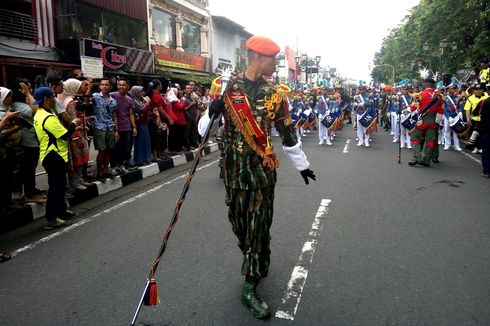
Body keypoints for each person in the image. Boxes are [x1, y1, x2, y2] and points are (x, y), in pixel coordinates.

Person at [208, 35, 316, 319]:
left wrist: (302, 166)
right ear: (258, 57)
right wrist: (211, 114)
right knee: (239, 225)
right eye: (273, 60)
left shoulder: (275, 94)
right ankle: (256, 258)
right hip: (233, 172)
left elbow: (288, 134)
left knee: (258, 227)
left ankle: (250, 284)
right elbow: (202, 132)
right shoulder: (225, 88)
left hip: (262, 174)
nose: (275, 65)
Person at [32, 87, 82, 229]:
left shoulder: (42, 113)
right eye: (53, 97)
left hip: (53, 154)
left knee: (60, 186)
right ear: (47, 99)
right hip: (53, 155)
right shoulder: (47, 117)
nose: (54, 99)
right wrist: (74, 124)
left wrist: (72, 128)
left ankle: (61, 211)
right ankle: (52, 218)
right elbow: (64, 135)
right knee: (55, 188)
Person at [59, 78, 90, 190]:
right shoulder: (70, 102)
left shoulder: (67, 99)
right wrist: (78, 136)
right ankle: (75, 182)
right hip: (75, 134)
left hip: (74, 132)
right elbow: (73, 120)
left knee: (79, 158)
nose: (80, 88)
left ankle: (79, 179)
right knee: (78, 159)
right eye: (78, 86)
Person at [408, 78, 444, 167]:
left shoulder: (420, 95)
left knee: (415, 137)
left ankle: (418, 157)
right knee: (430, 141)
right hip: (433, 121)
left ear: (425, 84)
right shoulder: (439, 96)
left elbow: (413, 108)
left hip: (422, 121)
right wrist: (437, 123)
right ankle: (427, 160)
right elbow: (441, 111)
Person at [0, 87, 23, 213]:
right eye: (8, 96)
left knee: (8, 177)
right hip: (3, 151)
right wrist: (15, 127)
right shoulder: (3, 114)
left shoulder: (8, 111)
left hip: (10, 150)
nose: (10, 99)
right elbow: (1, 134)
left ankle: (8, 201)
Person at [92, 77, 118, 179]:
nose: (104, 87)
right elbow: (86, 100)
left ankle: (105, 170)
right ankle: (99, 172)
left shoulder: (113, 101)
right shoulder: (95, 97)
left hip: (110, 127)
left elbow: (114, 116)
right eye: (102, 85)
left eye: (107, 85)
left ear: (110, 87)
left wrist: (116, 130)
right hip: (99, 127)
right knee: (101, 150)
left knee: (109, 150)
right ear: (99, 86)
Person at [110, 78, 137, 172]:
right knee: (115, 148)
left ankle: (121, 165)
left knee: (125, 148)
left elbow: (131, 114)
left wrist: (134, 127)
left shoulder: (129, 99)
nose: (121, 87)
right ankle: (113, 166)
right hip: (114, 126)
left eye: (123, 85)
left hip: (127, 127)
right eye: (119, 85)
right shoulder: (112, 95)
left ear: (128, 87)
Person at [129, 85, 152, 166]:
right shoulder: (133, 101)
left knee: (145, 142)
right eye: (140, 92)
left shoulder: (140, 100)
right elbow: (143, 110)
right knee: (140, 142)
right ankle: (139, 160)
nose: (142, 93)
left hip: (144, 122)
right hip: (139, 123)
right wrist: (148, 104)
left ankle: (145, 158)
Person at [464, 83, 489, 153]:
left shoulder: (487, 96)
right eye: (476, 90)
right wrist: (468, 119)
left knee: (482, 134)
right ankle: (475, 147)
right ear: (474, 91)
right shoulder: (470, 98)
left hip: (484, 119)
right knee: (474, 133)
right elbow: (467, 109)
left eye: (480, 89)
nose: (478, 91)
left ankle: (481, 147)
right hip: (475, 119)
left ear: (483, 90)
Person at [442, 84, 463, 151]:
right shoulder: (445, 98)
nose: (453, 90)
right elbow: (444, 109)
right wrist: (448, 117)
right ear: (448, 89)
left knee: (455, 131)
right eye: (451, 88)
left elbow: (460, 106)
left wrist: (460, 112)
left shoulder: (458, 97)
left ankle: (457, 146)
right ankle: (447, 145)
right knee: (446, 130)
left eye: (454, 88)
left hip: (456, 116)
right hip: (448, 116)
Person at [478, 97, 490, 177]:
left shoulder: (484, 101)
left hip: (486, 130)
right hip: (486, 129)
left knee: (486, 151)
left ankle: (487, 171)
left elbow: (476, 113)